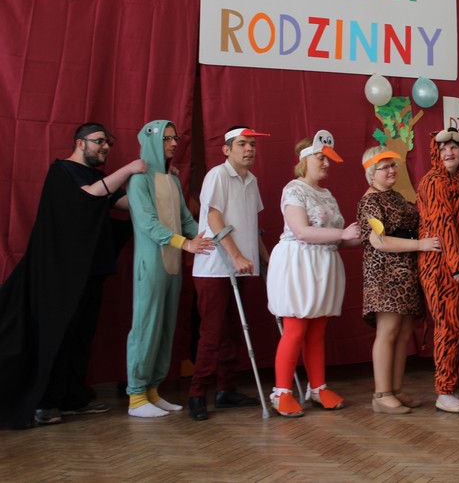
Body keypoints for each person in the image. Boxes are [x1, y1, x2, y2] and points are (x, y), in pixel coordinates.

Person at [0, 122, 146, 429]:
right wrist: (130, 169)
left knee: (81, 335)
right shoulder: (62, 171)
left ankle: (73, 397)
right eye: (99, 142)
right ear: (80, 143)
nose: (105, 147)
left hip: (89, 271)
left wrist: (156, 186)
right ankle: (45, 402)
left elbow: (124, 204)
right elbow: (89, 196)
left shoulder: (97, 177)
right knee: (57, 334)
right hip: (59, 274)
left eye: (108, 144)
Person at [266, 131, 361, 418]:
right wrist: (342, 234)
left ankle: (318, 387)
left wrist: (362, 236)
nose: (326, 164)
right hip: (299, 263)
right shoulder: (293, 190)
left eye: (328, 159)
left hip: (323, 265)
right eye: (321, 158)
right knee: (295, 328)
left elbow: (337, 237)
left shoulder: (327, 194)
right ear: (305, 160)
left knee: (317, 330)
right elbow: (302, 231)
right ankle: (282, 392)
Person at [125, 120, 213, 418]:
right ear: (152, 140)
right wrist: (185, 244)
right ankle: (137, 395)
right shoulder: (139, 180)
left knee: (165, 327)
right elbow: (148, 224)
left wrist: (205, 237)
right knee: (146, 326)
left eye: (175, 138)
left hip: (173, 264)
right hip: (152, 264)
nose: (174, 143)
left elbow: (185, 218)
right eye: (167, 138)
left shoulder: (173, 179)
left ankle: (152, 389)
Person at [188, 125, 271, 421]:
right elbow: (214, 217)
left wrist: (268, 260)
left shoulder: (252, 180)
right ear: (226, 149)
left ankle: (225, 389)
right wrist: (235, 255)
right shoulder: (218, 175)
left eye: (252, 145)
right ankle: (197, 393)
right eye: (242, 144)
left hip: (243, 267)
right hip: (215, 267)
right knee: (212, 333)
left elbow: (252, 226)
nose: (249, 149)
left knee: (235, 331)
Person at [357, 145, 441, 415]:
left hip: (406, 273)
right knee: (388, 331)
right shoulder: (370, 202)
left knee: (404, 332)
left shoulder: (394, 196)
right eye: (385, 167)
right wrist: (420, 245)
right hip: (386, 274)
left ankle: (395, 388)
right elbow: (379, 241)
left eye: (393, 165)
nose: (392, 171)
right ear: (371, 173)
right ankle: (381, 394)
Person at [416, 128, 459, 413]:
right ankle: (444, 391)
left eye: (454, 148)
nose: (449, 153)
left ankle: (456, 386)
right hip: (442, 267)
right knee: (449, 326)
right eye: (443, 149)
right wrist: (456, 267)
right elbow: (443, 226)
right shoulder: (432, 182)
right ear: (435, 153)